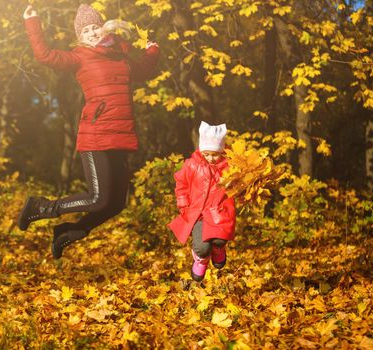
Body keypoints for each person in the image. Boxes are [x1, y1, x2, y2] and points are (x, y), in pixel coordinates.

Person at [18, 4, 160, 259]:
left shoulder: (121, 58)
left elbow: (145, 70)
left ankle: (68, 232)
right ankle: (40, 207)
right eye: (86, 31)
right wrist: (33, 23)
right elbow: (45, 56)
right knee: (97, 198)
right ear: (79, 38)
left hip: (121, 136)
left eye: (96, 27)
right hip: (95, 136)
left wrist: (152, 50)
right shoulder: (79, 57)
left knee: (116, 203)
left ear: (104, 29)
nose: (93, 33)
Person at [168, 121, 236, 282]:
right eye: (206, 154)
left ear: (222, 151)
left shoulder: (229, 167)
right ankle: (201, 259)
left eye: (215, 154)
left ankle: (219, 248)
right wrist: (183, 203)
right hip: (198, 213)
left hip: (219, 212)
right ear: (201, 150)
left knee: (219, 239)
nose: (210, 158)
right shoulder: (191, 165)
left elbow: (239, 185)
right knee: (202, 247)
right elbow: (181, 183)